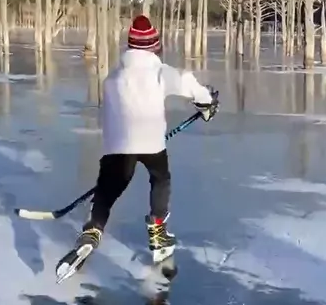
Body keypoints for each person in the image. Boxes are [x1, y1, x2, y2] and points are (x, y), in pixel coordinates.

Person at [71, 15, 219, 266]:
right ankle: (158, 233)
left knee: (108, 190)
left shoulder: (113, 77)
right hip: (152, 144)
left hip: (117, 146)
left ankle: (93, 229)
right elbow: (188, 83)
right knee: (160, 179)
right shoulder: (160, 71)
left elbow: (107, 116)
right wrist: (206, 102)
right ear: (154, 46)